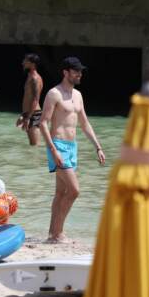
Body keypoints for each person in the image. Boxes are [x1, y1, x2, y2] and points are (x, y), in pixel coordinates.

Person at [39, 57, 105, 243]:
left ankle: (52, 234)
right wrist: (53, 150)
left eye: (80, 71)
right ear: (65, 72)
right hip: (57, 146)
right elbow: (44, 123)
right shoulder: (54, 94)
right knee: (74, 190)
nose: (79, 74)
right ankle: (58, 234)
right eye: (75, 71)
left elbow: (84, 124)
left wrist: (98, 147)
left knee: (60, 193)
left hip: (72, 147)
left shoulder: (78, 96)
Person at [16, 53, 43, 146]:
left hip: (34, 114)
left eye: (26, 61)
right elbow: (28, 98)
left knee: (35, 146)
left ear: (33, 64)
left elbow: (36, 99)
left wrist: (28, 117)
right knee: (32, 145)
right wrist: (23, 115)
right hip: (28, 113)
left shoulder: (35, 79)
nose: (23, 62)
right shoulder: (29, 77)